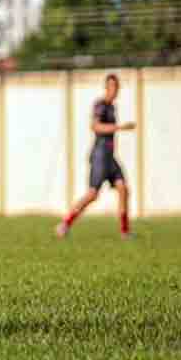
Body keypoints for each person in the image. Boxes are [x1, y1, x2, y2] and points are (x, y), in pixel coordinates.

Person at [57, 74, 136, 239]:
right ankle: (65, 223)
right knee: (93, 194)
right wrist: (119, 127)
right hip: (100, 155)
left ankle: (125, 231)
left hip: (110, 156)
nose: (115, 90)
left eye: (117, 87)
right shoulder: (100, 105)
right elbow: (95, 126)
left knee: (123, 188)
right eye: (112, 86)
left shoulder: (113, 107)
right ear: (107, 88)